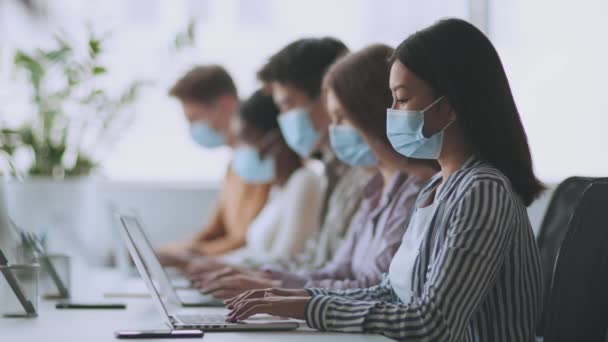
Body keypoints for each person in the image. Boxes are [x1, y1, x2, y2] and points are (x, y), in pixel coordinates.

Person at [224, 18, 544, 342]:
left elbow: (432, 323)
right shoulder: (439, 187)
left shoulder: (482, 190)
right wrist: (301, 300)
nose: (390, 112)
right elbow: (390, 293)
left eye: (402, 99)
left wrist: (308, 309)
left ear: (448, 107)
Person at [193, 45, 439, 300]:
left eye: (341, 117)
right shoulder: (372, 185)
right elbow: (336, 268)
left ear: (368, 113)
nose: (333, 130)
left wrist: (290, 295)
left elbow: (380, 288)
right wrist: (268, 282)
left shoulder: (417, 187)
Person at [186, 38, 373, 276]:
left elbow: (335, 273)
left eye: (288, 104)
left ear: (328, 99)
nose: (284, 118)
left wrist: (260, 282)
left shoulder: (355, 177)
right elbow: (314, 263)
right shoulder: (331, 173)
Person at [157, 66, 272, 267]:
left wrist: (190, 256)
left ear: (225, 105)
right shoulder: (234, 165)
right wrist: (165, 252)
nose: (192, 129)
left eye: (193, 119)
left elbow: (247, 238)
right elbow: (214, 230)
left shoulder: (263, 165)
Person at [218, 89, 324, 267]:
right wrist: (205, 264)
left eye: (246, 138)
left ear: (274, 140)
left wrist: (216, 266)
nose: (239, 149)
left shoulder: (305, 182)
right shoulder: (278, 189)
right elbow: (254, 254)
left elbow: (286, 260)